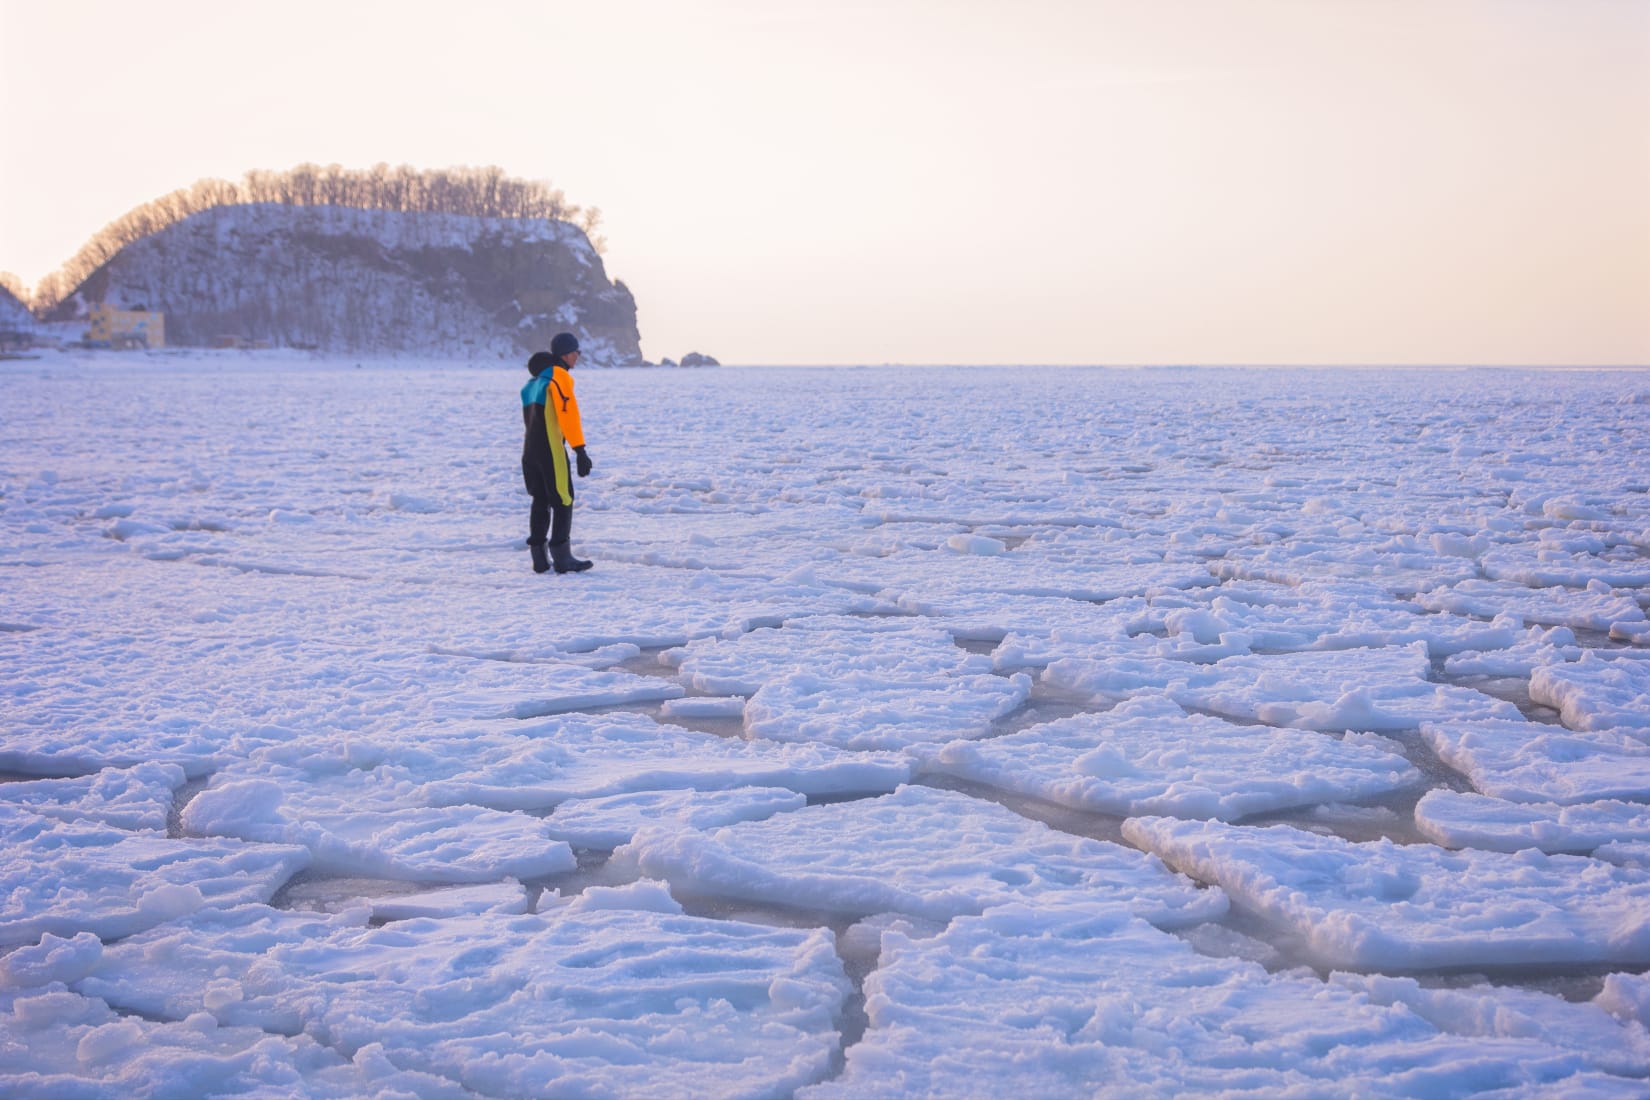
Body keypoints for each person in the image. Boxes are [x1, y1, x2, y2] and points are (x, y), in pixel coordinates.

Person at [520, 332, 595, 573]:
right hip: (550, 450)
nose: (578, 357)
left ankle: (539, 558)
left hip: (530, 451)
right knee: (563, 499)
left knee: (540, 499)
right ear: (565, 353)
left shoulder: (532, 384)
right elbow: (568, 415)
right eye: (576, 352)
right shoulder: (559, 377)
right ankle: (563, 557)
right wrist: (580, 450)